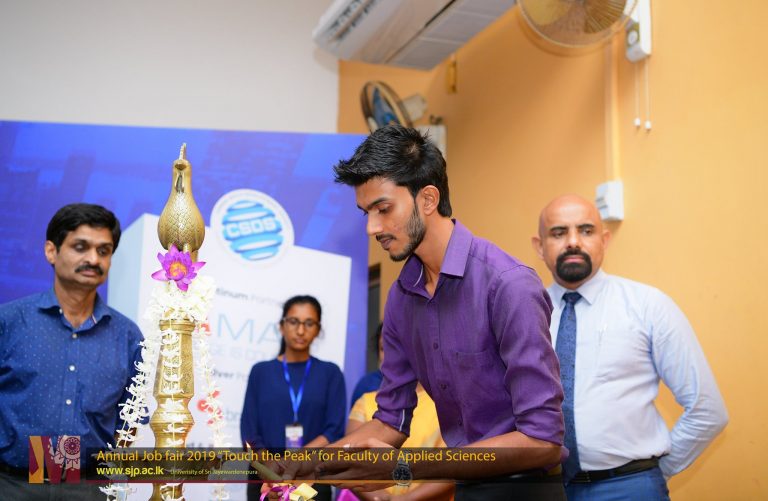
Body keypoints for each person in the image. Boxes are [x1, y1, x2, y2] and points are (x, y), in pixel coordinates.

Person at [291, 124, 566, 501]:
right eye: (366, 213)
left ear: (428, 199)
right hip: (466, 488)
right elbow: (391, 420)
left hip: (527, 492)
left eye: (383, 209)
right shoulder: (402, 297)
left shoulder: (508, 284)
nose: (372, 227)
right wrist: (308, 469)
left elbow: (543, 440)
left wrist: (407, 468)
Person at [531, 194, 728, 501]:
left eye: (586, 230)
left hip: (629, 488)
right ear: (540, 246)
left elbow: (708, 410)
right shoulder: (526, 315)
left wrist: (652, 473)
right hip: (545, 490)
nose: (573, 242)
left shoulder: (648, 306)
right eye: (558, 233)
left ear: (604, 240)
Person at [0, 203, 143, 500]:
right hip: (12, 485)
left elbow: (129, 421)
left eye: (104, 251)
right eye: (81, 247)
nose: (93, 259)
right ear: (51, 251)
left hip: (88, 489)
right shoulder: (10, 322)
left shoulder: (127, 337)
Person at [240, 294, 347, 501]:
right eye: (293, 322)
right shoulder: (261, 371)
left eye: (309, 323)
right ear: (281, 326)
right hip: (265, 477)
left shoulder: (330, 373)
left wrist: (295, 461)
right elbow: (249, 431)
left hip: (312, 477)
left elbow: (334, 431)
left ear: (318, 330)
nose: (300, 330)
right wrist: (270, 468)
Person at [349, 323, 384, 409]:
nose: (388, 354)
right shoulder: (366, 385)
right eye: (382, 348)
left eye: (393, 347)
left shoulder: (415, 386)